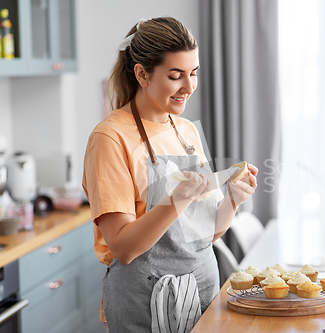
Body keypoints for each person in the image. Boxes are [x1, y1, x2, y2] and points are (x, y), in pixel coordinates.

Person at [82, 17, 258, 333]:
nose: (189, 87)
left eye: (193, 74)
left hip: (202, 293)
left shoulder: (185, 130)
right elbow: (123, 248)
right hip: (144, 302)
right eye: (176, 76)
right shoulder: (110, 138)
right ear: (142, 74)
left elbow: (202, 234)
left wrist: (232, 201)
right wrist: (176, 199)